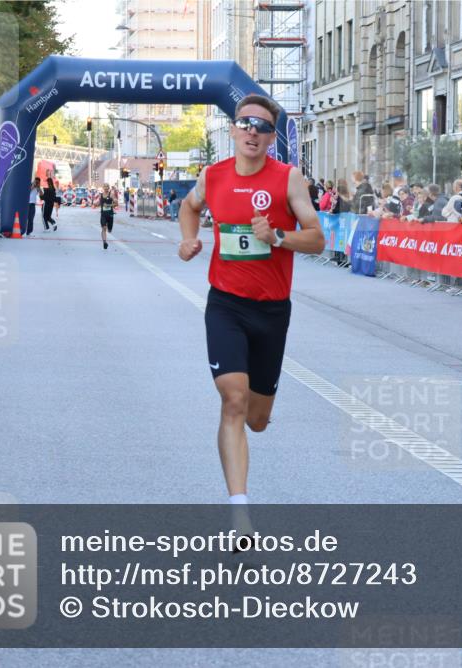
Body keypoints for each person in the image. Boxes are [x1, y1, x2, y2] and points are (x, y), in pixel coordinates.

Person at [176, 94, 324, 526]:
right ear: (234, 129)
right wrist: (188, 240)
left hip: (272, 311)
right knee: (233, 400)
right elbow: (189, 206)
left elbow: (316, 238)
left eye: (262, 126)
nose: (253, 132)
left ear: (271, 137)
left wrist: (278, 236)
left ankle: (255, 425)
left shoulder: (288, 179)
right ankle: (239, 509)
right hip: (225, 304)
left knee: (257, 419)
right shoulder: (214, 175)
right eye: (246, 124)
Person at [99, 184, 115, 249]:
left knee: (109, 230)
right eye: (104, 186)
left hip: (110, 214)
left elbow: (116, 203)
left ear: (108, 188)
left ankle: (110, 228)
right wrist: (95, 203)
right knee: (104, 228)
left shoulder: (111, 195)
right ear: (103, 188)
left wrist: (108, 205)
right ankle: (104, 242)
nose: (106, 188)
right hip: (103, 214)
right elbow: (100, 203)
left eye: (107, 187)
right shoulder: (101, 195)